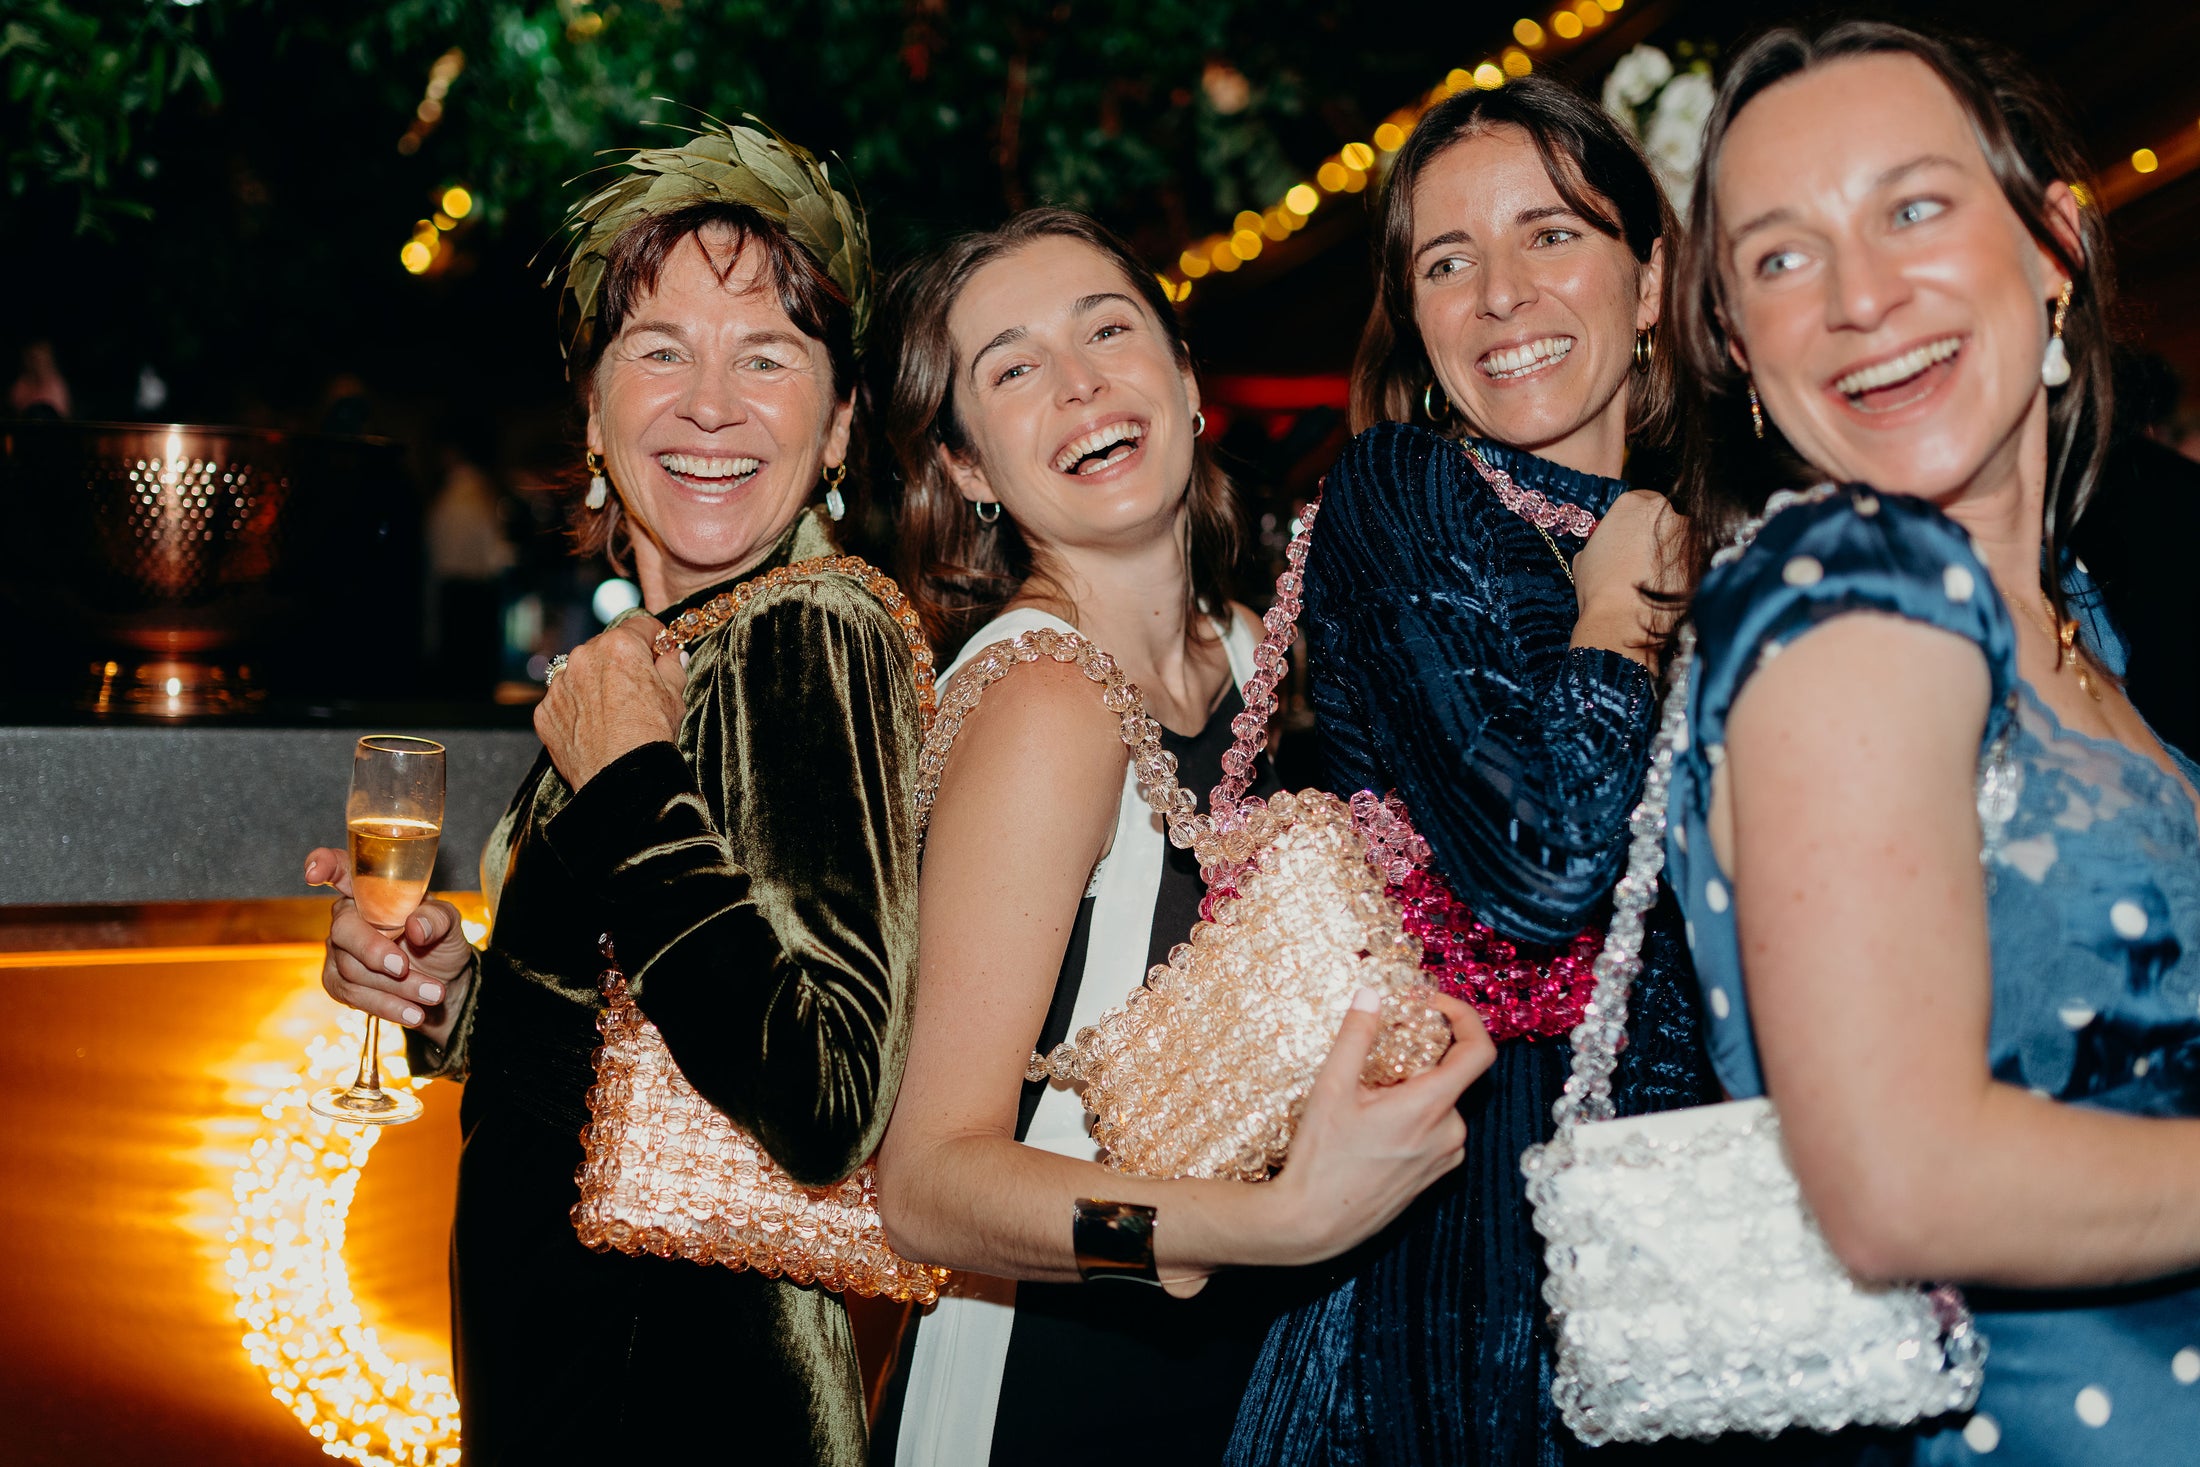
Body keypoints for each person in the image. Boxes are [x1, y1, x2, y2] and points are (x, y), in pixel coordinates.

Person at [304, 121, 920, 1465]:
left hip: (693, 1401)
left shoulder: (808, 629)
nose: (710, 403)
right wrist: (453, 994)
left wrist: (634, 778)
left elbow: (824, 1087)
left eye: (768, 355)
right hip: (570, 1373)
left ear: (840, 426)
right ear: (592, 412)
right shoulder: (661, 657)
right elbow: (631, 1029)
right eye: (661, 349)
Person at [866, 208, 1494, 1466]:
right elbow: (927, 1184)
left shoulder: (1255, 652)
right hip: (1053, 1389)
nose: (1082, 382)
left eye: (1109, 330)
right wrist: (1268, 1225)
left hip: (1253, 1382)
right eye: (1014, 367)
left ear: (1186, 379)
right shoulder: (1045, 701)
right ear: (971, 470)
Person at [1666, 20, 2200, 1462]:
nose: (1860, 295)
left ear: (2052, 246)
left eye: (1914, 207)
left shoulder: (2070, 620)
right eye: (1781, 257)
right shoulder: (1852, 585)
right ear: (1733, 341)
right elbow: (1898, 1178)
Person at [1227, 76, 1732, 1467]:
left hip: (1703, 1237)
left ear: (1652, 280)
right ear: (1418, 319)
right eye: (1450, 261)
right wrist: (1625, 607)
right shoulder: (1407, 495)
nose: (1501, 293)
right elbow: (1539, 862)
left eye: (1550, 235)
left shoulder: (1729, 532)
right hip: (1473, 1256)